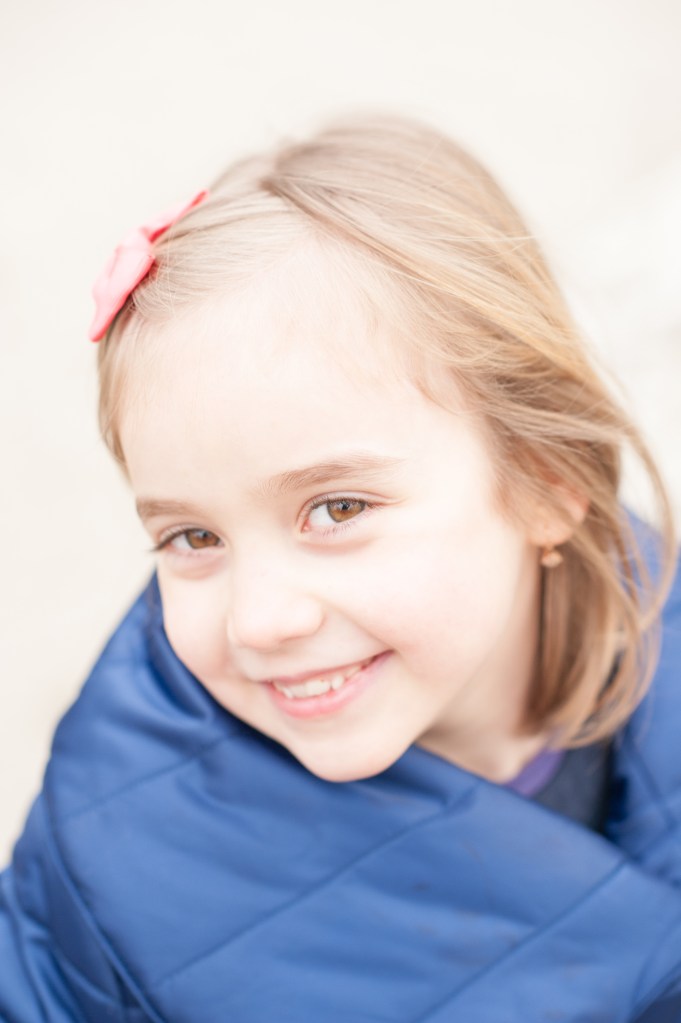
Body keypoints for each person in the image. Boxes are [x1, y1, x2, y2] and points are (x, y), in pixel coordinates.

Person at [1, 115, 680, 1022]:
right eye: (193, 537)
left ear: (545, 487)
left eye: (337, 509)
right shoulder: (109, 881)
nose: (258, 620)